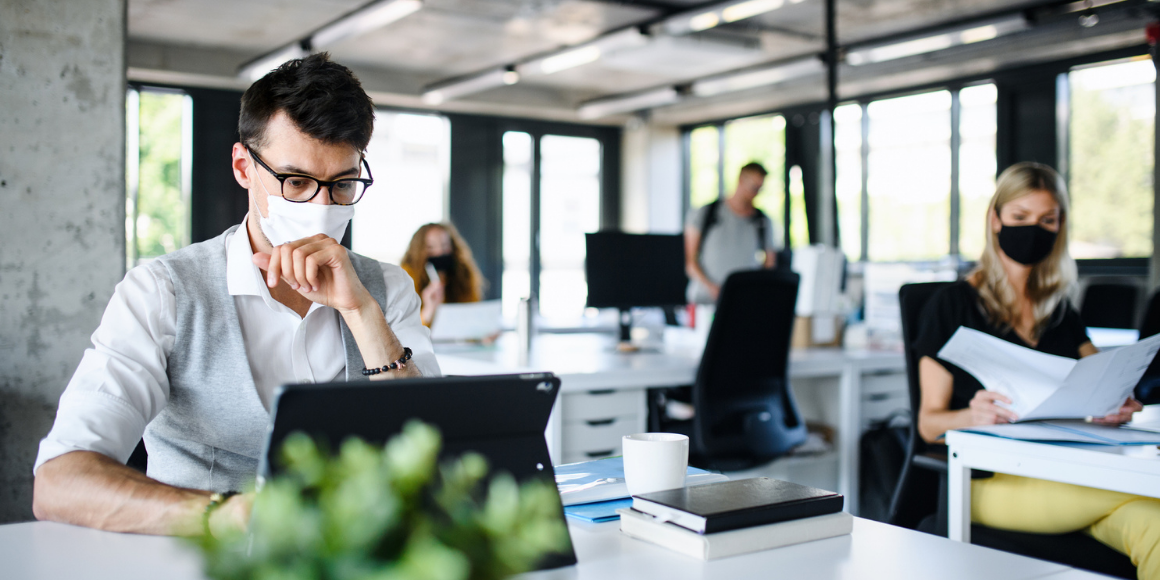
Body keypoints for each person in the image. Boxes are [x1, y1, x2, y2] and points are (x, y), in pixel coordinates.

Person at [31, 53, 439, 538]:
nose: (321, 207)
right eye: (297, 182)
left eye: (343, 185)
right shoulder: (162, 293)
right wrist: (233, 516)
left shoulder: (386, 289)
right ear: (244, 166)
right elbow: (59, 481)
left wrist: (361, 312)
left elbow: (435, 453)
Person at [914, 162, 1158, 579]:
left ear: (1060, 226)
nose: (1034, 230)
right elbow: (928, 425)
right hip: (987, 481)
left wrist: (1115, 403)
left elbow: (1102, 377)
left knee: (1153, 524)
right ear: (995, 220)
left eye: (1047, 220)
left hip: (1065, 467)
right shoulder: (952, 305)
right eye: (1020, 217)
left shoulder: (1060, 311)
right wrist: (973, 415)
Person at [684, 162, 779, 304]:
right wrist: (713, 288)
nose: (756, 193)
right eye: (754, 187)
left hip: (744, 301)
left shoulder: (762, 221)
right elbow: (691, 263)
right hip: (705, 301)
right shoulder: (706, 213)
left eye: (760, 188)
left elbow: (770, 263)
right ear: (741, 180)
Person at [400, 222, 485, 327]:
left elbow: (472, 315)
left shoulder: (462, 276)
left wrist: (482, 330)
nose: (439, 252)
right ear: (418, 251)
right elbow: (404, 332)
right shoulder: (405, 278)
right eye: (430, 247)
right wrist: (429, 309)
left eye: (445, 246)